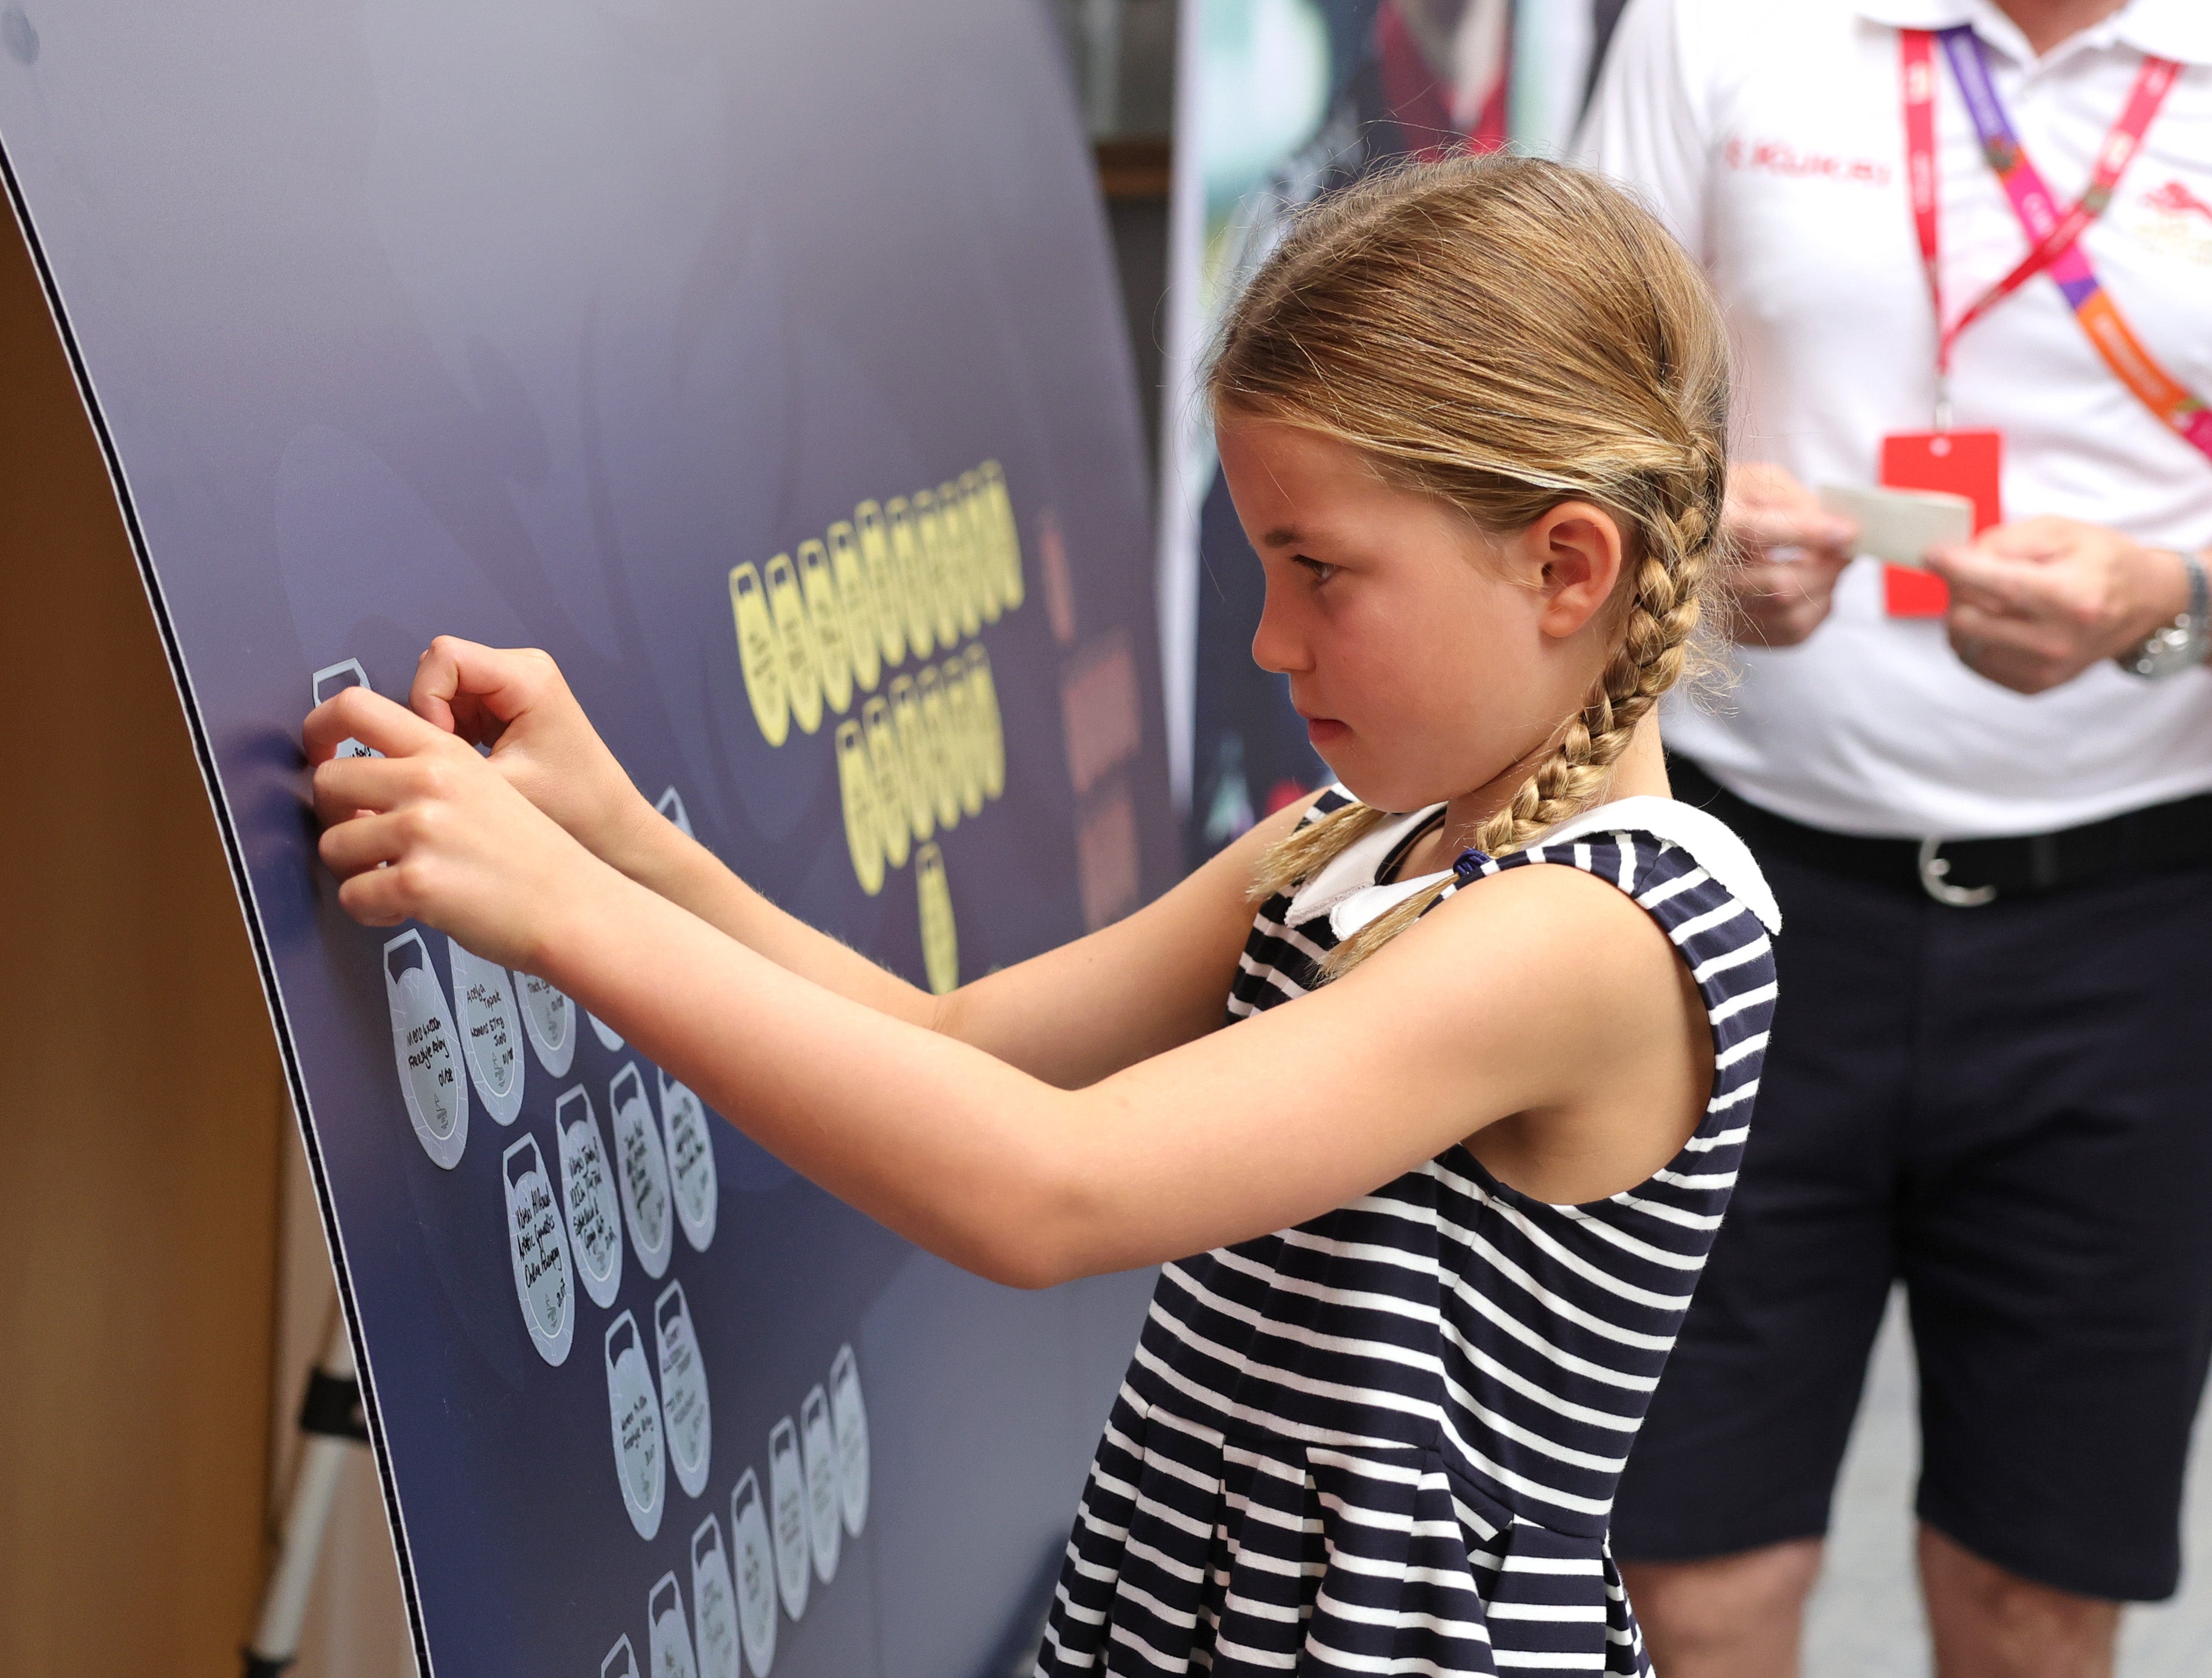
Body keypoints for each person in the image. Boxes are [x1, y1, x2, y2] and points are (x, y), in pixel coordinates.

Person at [302, 155, 1777, 1675]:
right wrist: (611, 841)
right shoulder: (1357, 846)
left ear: (1564, 564)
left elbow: (1045, 1187)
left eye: (1321, 573)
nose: (1271, 642)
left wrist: (561, 920)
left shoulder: (1595, 932)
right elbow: (963, 1045)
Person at [1576, 2, 2212, 1674]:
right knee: (1695, 1587)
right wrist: (1688, 556)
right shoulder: (1718, 27)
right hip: (1735, 899)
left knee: (2035, 1601)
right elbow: (1566, 385)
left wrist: (2180, 603)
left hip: (2140, 922)